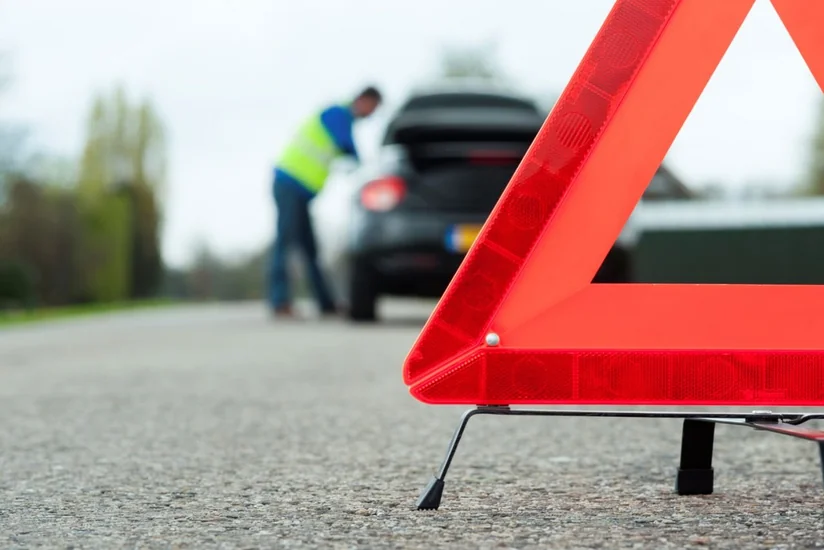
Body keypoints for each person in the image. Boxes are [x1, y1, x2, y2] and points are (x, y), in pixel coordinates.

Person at [268, 86, 382, 318]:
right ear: (363, 100)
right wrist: (368, 168)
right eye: (372, 108)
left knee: (309, 248)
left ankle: (326, 303)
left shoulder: (341, 117)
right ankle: (279, 301)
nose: (371, 115)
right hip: (289, 183)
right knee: (285, 242)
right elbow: (347, 146)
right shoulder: (337, 113)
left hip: (299, 191)